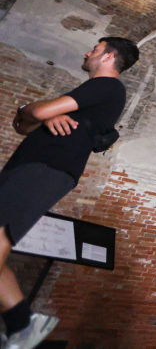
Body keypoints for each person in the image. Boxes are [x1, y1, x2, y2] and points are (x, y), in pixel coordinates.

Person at [1, 36, 138, 348]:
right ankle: (22, 325)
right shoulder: (88, 95)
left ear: (109, 56)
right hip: (29, 169)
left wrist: (39, 112)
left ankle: (23, 324)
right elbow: (23, 124)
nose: (88, 52)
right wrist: (37, 112)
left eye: (95, 49)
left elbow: (34, 115)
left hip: (44, 169)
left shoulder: (108, 86)